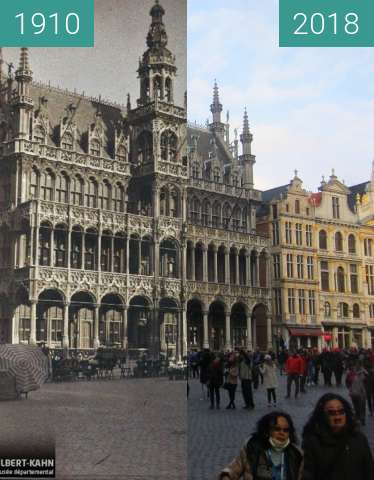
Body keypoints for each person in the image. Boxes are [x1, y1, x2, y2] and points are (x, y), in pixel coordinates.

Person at [302, 393, 374, 480]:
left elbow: (369, 472)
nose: (338, 417)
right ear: (323, 415)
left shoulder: (359, 439)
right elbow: (308, 474)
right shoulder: (313, 442)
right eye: (332, 413)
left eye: (341, 412)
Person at [219, 411, 303, 480]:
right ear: (267, 431)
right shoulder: (252, 448)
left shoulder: (296, 454)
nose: (282, 433)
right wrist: (226, 476)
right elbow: (233, 469)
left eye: (286, 430)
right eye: (277, 429)